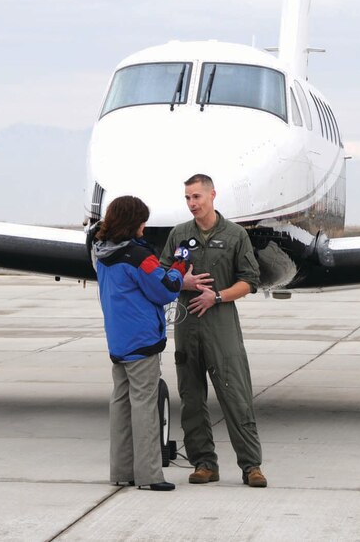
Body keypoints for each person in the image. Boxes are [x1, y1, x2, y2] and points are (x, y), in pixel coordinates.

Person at [159, 174, 267, 488]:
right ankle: (204, 464)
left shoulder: (235, 235)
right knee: (191, 399)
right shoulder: (179, 234)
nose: (192, 204)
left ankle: (251, 466)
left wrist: (216, 296)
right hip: (187, 326)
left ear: (212, 196)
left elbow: (250, 281)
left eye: (197, 197)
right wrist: (185, 282)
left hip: (221, 326)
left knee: (236, 395)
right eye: (188, 198)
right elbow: (164, 272)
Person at [93, 195, 188, 492]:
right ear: (134, 223)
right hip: (142, 342)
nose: (145, 227)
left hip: (118, 342)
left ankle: (121, 472)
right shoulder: (138, 256)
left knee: (120, 405)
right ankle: (149, 476)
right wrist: (181, 264)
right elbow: (166, 289)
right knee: (145, 407)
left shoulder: (101, 252)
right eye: (143, 221)